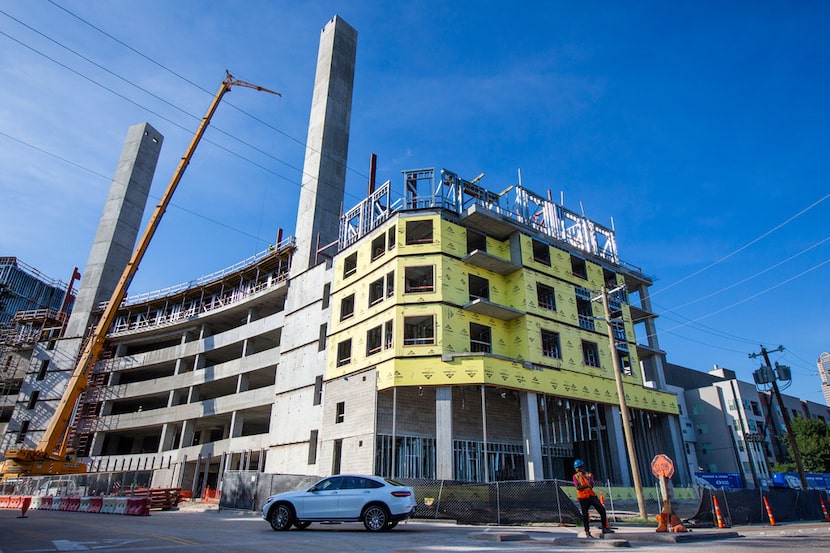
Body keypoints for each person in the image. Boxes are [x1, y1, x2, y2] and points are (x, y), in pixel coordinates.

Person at [572, 459, 610, 537]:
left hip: (591, 496)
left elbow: (591, 485)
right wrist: (586, 485)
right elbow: (578, 487)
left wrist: (585, 478)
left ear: (582, 467)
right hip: (583, 498)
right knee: (585, 515)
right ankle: (587, 531)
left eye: (578, 468)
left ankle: (604, 528)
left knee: (602, 510)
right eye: (576, 468)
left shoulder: (589, 475)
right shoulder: (575, 477)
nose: (577, 470)